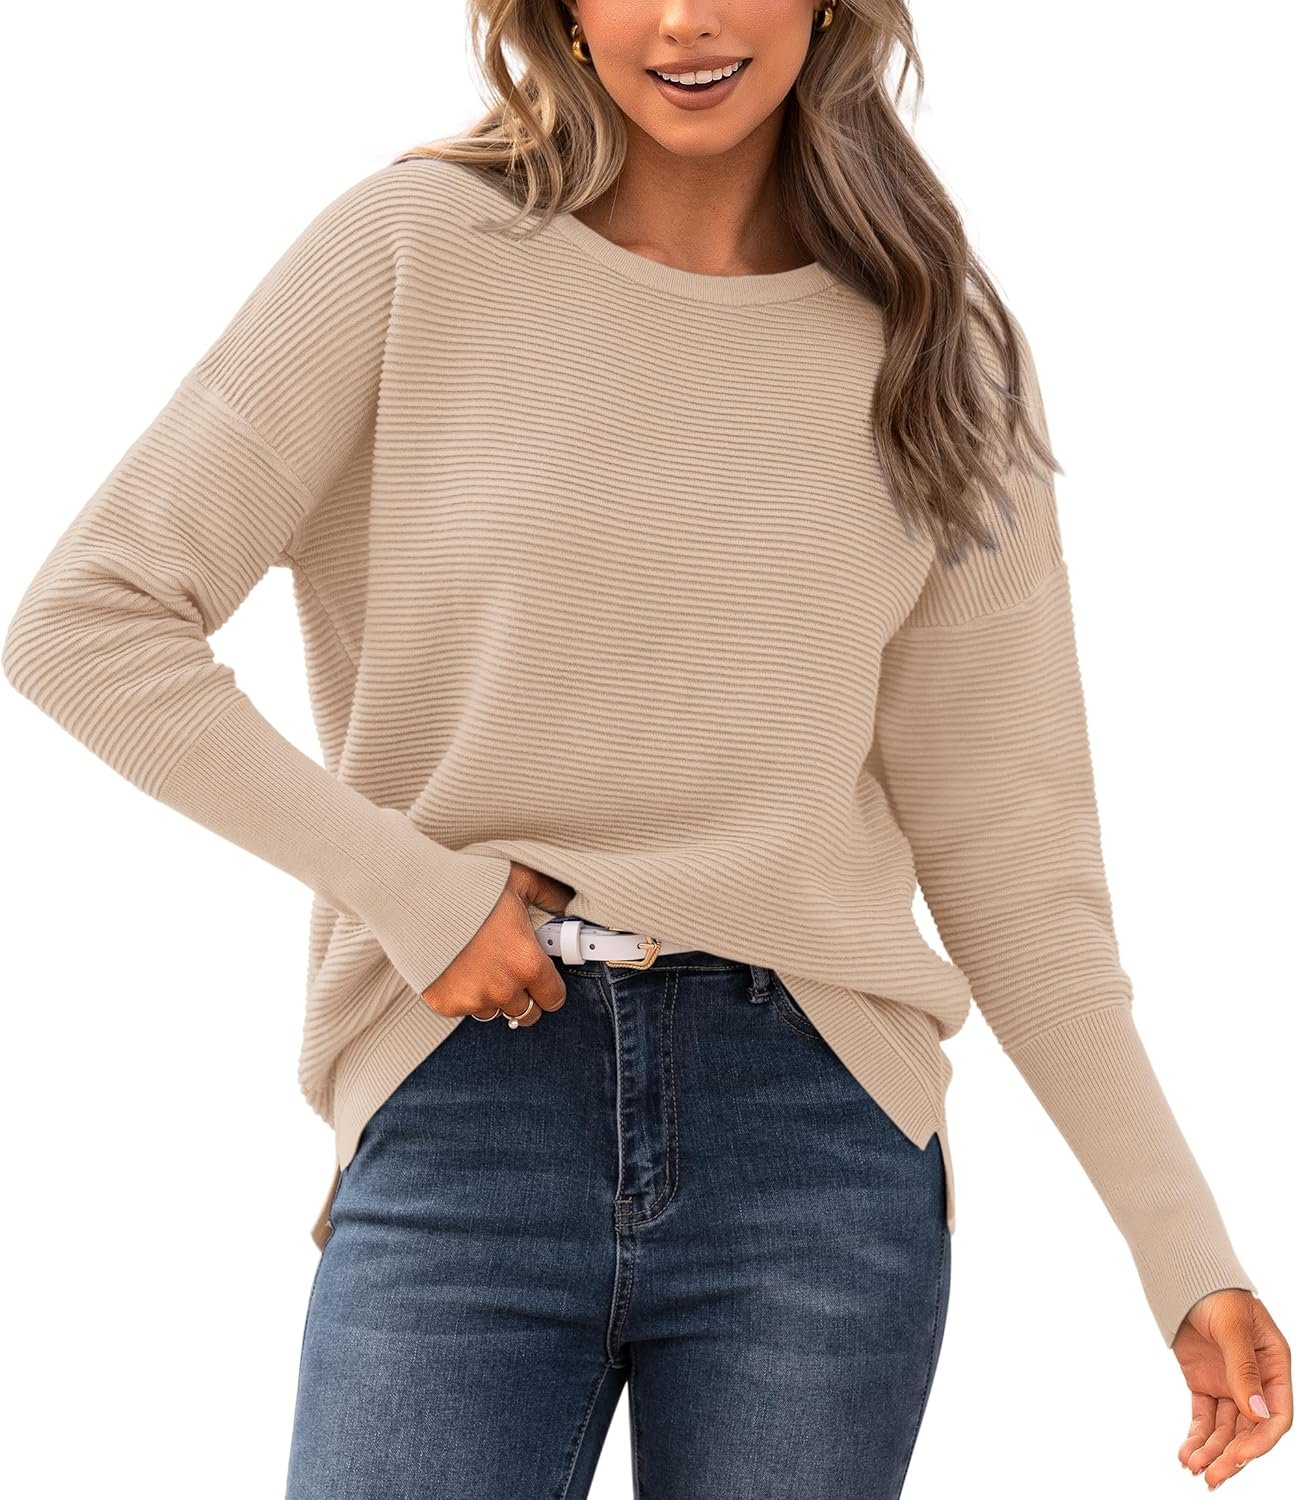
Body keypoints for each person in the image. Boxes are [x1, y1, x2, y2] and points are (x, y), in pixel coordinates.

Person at [3, 2, 1288, 1495]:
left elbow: (1013, 855)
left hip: (818, 1143)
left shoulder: (943, 345)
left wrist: (1183, 1249)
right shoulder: (411, 250)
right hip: (466, 1099)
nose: (687, 19)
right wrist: (413, 893)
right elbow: (89, 622)